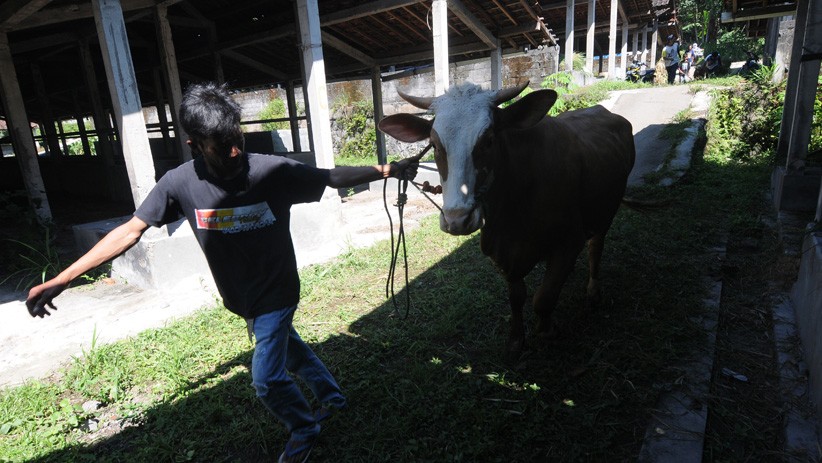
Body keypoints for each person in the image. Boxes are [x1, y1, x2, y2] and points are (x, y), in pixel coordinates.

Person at [25, 82, 420, 463]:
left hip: (277, 292)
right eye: (221, 145)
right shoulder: (179, 183)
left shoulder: (271, 171)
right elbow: (131, 230)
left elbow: (331, 176)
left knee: (266, 379)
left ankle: (304, 428)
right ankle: (332, 397)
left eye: (238, 140)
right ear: (194, 144)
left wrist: (389, 169)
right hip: (240, 297)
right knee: (290, 350)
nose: (235, 151)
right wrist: (64, 278)